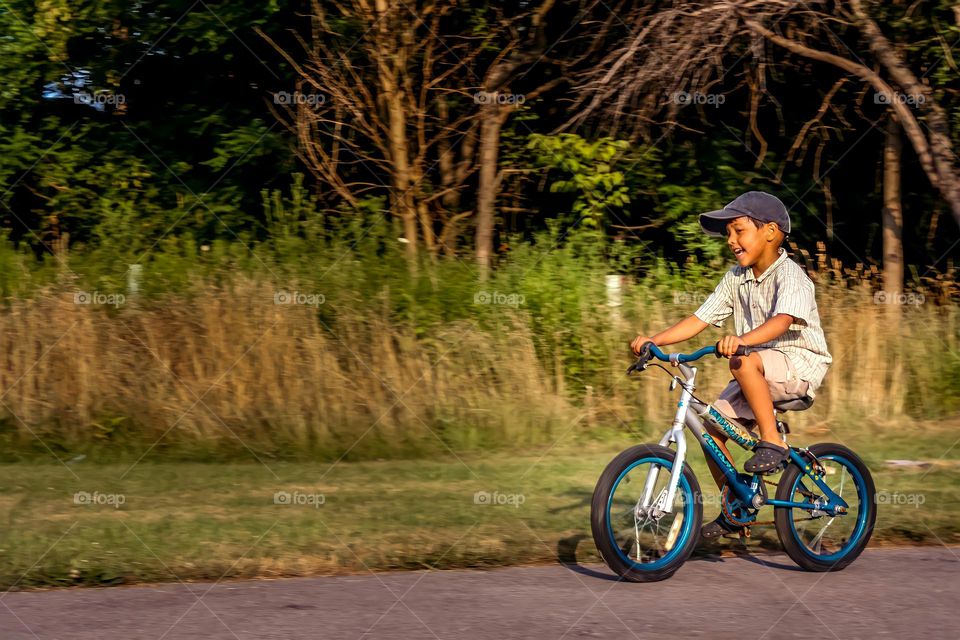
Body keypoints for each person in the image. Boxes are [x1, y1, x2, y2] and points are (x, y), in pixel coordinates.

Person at [630, 191, 832, 539]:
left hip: (798, 367)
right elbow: (700, 319)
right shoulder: (735, 278)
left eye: (738, 230)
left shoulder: (791, 275)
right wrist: (656, 341)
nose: (731, 240)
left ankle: (773, 442)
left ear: (770, 232)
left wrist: (743, 341)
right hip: (757, 369)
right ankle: (737, 504)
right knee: (713, 431)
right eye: (728, 234)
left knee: (741, 361)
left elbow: (783, 321)